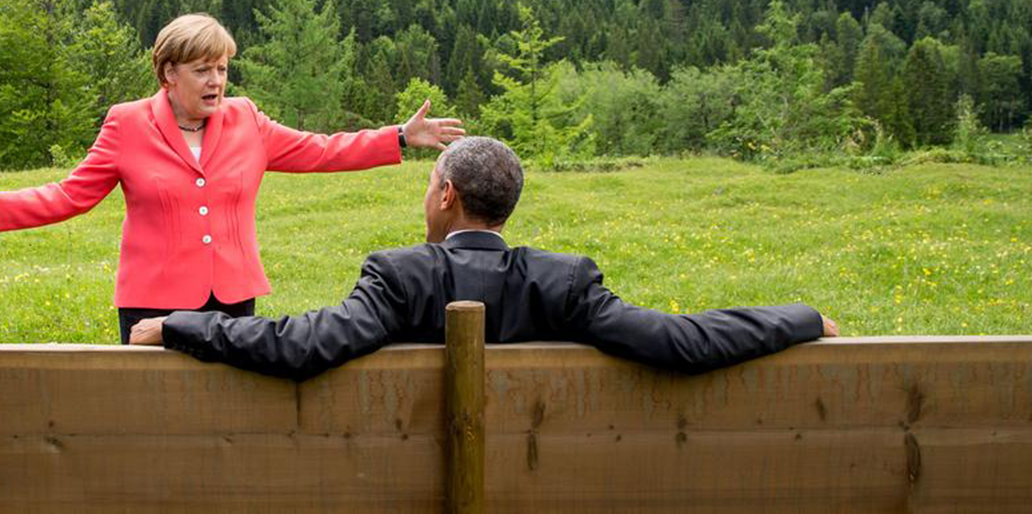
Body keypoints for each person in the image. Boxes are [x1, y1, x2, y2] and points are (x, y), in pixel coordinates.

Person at [0, 13, 464, 343]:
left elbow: (319, 150)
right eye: (203, 70)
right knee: (153, 420)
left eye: (222, 69)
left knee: (227, 415)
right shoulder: (126, 124)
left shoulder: (247, 119)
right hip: (152, 300)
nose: (216, 81)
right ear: (168, 73)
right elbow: (70, 195)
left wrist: (396, 136)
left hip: (231, 297)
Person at [129, 136, 838, 380]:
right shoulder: (564, 281)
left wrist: (182, 325)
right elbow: (682, 341)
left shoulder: (399, 276)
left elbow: (303, 345)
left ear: (444, 194)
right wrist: (801, 318)